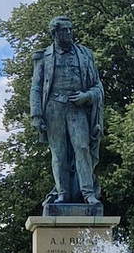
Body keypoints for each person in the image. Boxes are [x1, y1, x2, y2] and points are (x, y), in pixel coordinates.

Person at [29, 16, 104, 206]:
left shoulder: (85, 54)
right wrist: (36, 115)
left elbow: (97, 85)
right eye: (65, 30)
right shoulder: (43, 57)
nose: (70, 33)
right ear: (55, 33)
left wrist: (86, 96)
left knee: (83, 148)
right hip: (53, 108)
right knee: (58, 153)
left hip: (77, 108)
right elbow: (36, 87)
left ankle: (88, 193)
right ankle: (62, 192)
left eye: (71, 29)